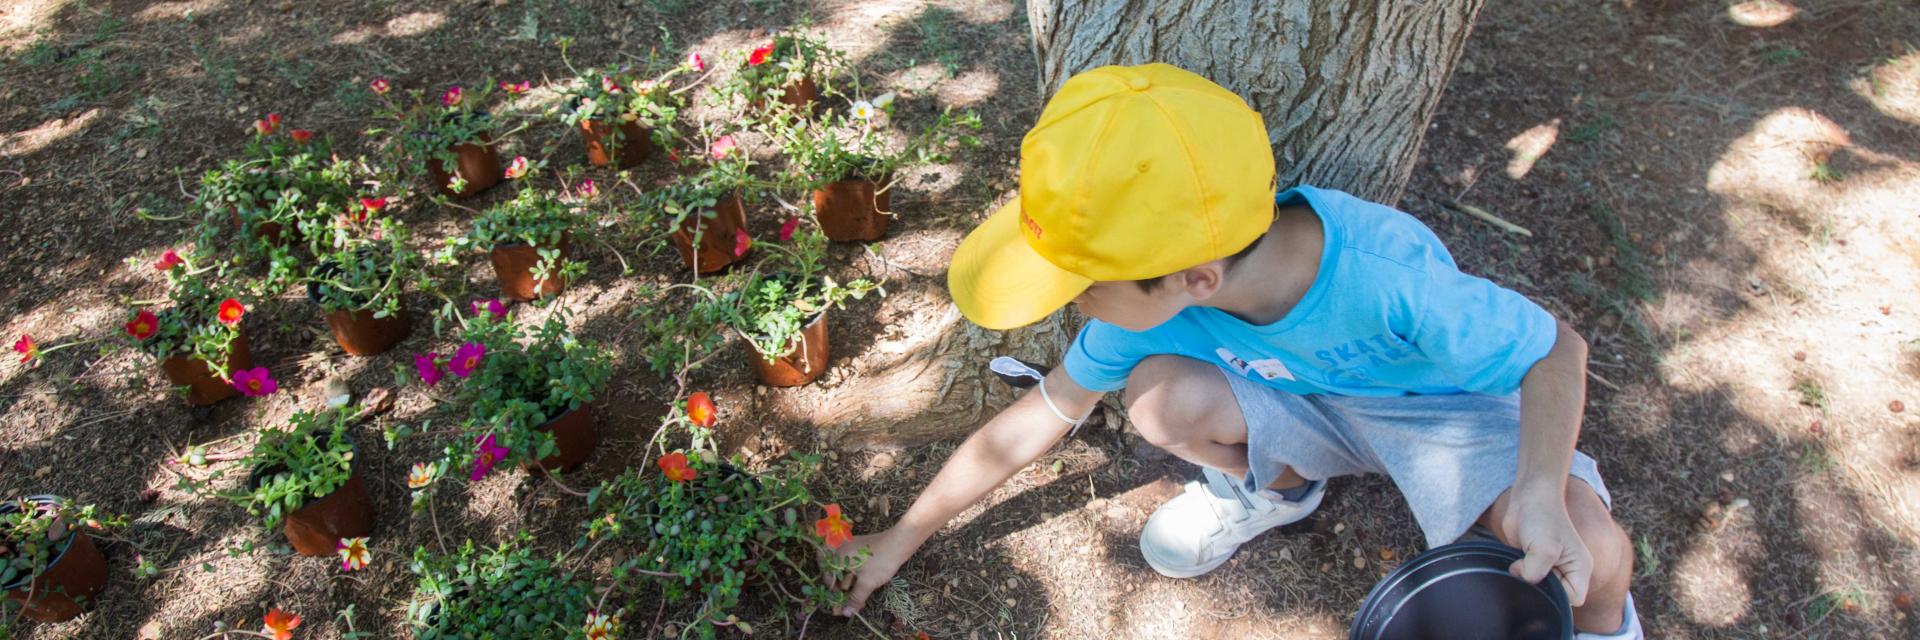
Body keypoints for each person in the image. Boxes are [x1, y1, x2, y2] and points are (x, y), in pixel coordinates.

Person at [833, 63, 1642, 639]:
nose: (1076, 306)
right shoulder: (1157, 306)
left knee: (1589, 554)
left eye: (1084, 284)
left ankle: (1607, 631)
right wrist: (906, 531)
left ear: (1196, 278)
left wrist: (1538, 489)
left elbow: (1555, 352)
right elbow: (1035, 417)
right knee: (1159, 400)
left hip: (1449, 416)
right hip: (1306, 405)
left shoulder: (1385, 277)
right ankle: (1281, 490)